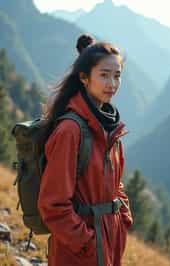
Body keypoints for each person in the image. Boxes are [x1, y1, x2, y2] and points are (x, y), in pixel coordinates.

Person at [38, 34, 133, 266]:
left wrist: (122, 217)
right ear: (84, 78)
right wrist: (87, 243)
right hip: (78, 251)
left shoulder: (109, 127)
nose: (112, 84)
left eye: (117, 76)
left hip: (108, 240)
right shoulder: (71, 130)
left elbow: (115, 181)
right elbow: (53, 204)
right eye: (104, 75)